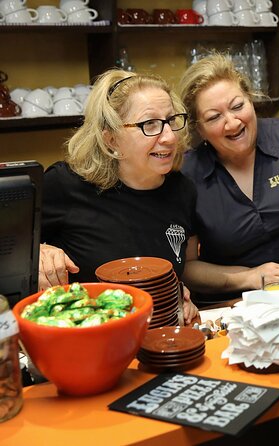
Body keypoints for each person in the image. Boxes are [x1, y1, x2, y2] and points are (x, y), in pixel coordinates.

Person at [39, 69, 199, 323]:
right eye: (150, 124)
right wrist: (38, 252)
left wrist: (180, 297)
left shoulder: (182, 190)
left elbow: (181, 274)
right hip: (87, 341)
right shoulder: (64, 185)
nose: (169, 137)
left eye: (171, 120)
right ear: (110, 138)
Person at [177, 53, 279, 306]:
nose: (232, 123)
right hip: (228, 306)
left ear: (251, 101)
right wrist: (250, 277)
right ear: (198, 128)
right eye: (214, 117)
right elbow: (188, 267)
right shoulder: (188, 174)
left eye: (237, 106)